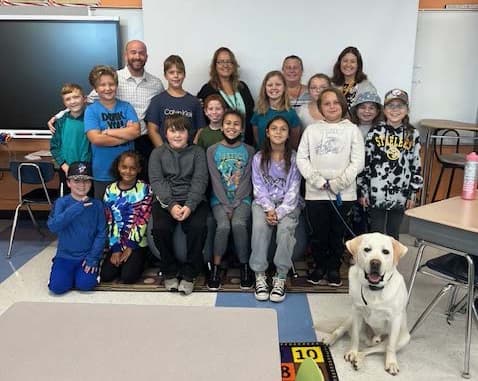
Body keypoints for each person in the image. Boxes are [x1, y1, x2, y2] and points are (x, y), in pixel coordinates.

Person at [48, 40, 164, 166]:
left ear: (146, 57)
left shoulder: (156, 84)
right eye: (133, 52)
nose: (137, 56)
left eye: (141, 53)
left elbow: (162, 108)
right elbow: (85, 100)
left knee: (143, 183)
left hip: (144, 141)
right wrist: (59, 116)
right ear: (126, 56)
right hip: (112, 144)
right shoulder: (112, 78)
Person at [296, 87, 364, 287]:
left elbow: (357, 162)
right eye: (327, 103)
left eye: (336, 102)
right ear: (320, 107)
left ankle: (333, 267)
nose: (332, 106)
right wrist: (318, 181)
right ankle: (319, 266)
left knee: (337, 233)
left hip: (344, 193)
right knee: (318, 233)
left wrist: (337, 183)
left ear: (342, 105)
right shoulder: (312, 130)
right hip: (316, 194)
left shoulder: (352, 130)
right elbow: (302, 158)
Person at [149, 114, 209, 295]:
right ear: (165, 134)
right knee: (160, 229)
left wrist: (189, 205)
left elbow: (200, 180)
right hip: (166, 200)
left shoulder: (198, 152)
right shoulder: (157, 153)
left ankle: (190, 273)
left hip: (193, 200)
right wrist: (171, 205)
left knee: (198, 228)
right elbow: (157, 181)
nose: (177, 135)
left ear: (189, 133)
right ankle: (169, 271)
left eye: (181, 131)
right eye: (172, 131)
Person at [249, 116, 303, 302]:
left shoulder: (294, 158)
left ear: (288, 134)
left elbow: (293, 191)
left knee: (285, 230)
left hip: (288, 205)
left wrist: (278, 212)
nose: (278, 132)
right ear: (267, 132)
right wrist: (269, 209)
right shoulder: (258, 158)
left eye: (283, 129)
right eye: (274, 128)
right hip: (264, 203)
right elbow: (258, 187)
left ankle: (280, 275)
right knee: (259, 227)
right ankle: (260, 274)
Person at [358, 89, 423, 240]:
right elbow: (366, 163)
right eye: (391, 106)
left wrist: (413, 193)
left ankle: (392, 263)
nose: (395, 110)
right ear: (384, 109)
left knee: (394, 234)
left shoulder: (412, 134)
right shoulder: (375, 132)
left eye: (400, 106)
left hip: (401, 193)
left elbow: (416, 165)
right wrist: (363, 190)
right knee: (376, 234)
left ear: (407, 110)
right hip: (376, 192)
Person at [206, 110, 255, 291]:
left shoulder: (249, 150)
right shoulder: (212, 151)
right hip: (219, 199)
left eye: (236, 124)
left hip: (242, 199)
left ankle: (244, 266)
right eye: (228, 123)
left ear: (242, 128)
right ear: (222, 126)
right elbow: (215, 180)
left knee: (239, 224)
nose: (231, 127)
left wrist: (235, 203)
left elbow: (247, 180)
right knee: (224, 226)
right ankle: (216, 268)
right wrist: (226, 204)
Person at [47, 161, 106, 294]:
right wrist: (75, 208)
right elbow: (54, 227)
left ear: (91, 183)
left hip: (86, 256)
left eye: (86, 181)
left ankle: (82, 273)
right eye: (77, 181)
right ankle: (64, 272)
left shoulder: (97, 205)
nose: (82, 185)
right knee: (57, 288)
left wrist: (93, 258)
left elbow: (101, 233)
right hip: (64, 255)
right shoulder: (61, 203)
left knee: (86, 285)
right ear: (68, 183)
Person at [84, 65, 140, 199]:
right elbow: (96, 139)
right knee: (104, 214)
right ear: (95, 88)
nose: (107, 88)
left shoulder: (126, 107)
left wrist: (108, 132)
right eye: (102, 85)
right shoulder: (91, 110)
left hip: (127, 172)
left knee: (127, 213)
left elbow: (136, 132)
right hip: (103, 172)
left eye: (111, 84)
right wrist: (125, 134)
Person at [101, 151, 153, 284]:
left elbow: (143, 219)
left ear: (139, 169)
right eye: (124, 167)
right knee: (106, 276)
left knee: (128, 277)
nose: (128, 172)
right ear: (118, 167)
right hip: (117, 241)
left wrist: (130, 246)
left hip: (137, 242)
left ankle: (144, 259)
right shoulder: (110, 190)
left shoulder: (145, 189)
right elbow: (110, 220)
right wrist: (116, 249)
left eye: (132, 168)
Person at [197, 47, 255, 146]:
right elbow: (201, 116)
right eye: (221, 62)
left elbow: (251, 113)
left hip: (246, 143)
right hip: (220, 145)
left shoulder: (242, 87)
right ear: (215, 65)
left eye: (229, 61)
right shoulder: (208, 89)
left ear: (234, 65)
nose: (225, 65)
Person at [146, 55, 205, 147]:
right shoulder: (157, 101)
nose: (176, 76)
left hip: (189, 153)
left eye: (179, 72)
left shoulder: (194, 101)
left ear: (184, 75)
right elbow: (152, 129)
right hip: (165, 154)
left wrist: (193, 149)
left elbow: (201, 128)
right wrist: (163, 152)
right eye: (171, 72)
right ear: (165, 75)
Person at [348, 91, 383, 235]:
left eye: (371, 108)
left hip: (374, 180)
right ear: (356, 109)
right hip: (353, 177)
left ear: (378, 111)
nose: (367, 111)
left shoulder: (382, 130)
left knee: (372, 218)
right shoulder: (349, 128)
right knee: (355, 216)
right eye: (363, 107)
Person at [50, 83, 90, 194]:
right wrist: (65, 166)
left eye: (76, 97)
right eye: (68, 99)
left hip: (89, 169)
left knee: (89, 201)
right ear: (64, 103)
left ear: (84, 98)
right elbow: (55, 147)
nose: (72, 101)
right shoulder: (61, 122)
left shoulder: (91, 118)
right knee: (68, 202)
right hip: (67, 170)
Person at [251, 71, 301, 149]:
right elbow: (257, 139)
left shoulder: (291, 114)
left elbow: (294, 143)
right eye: (270, 85)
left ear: (284, 87)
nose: (274, 87)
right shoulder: (259, 112)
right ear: (265, 88)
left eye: (278, 84)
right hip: (262, 157)